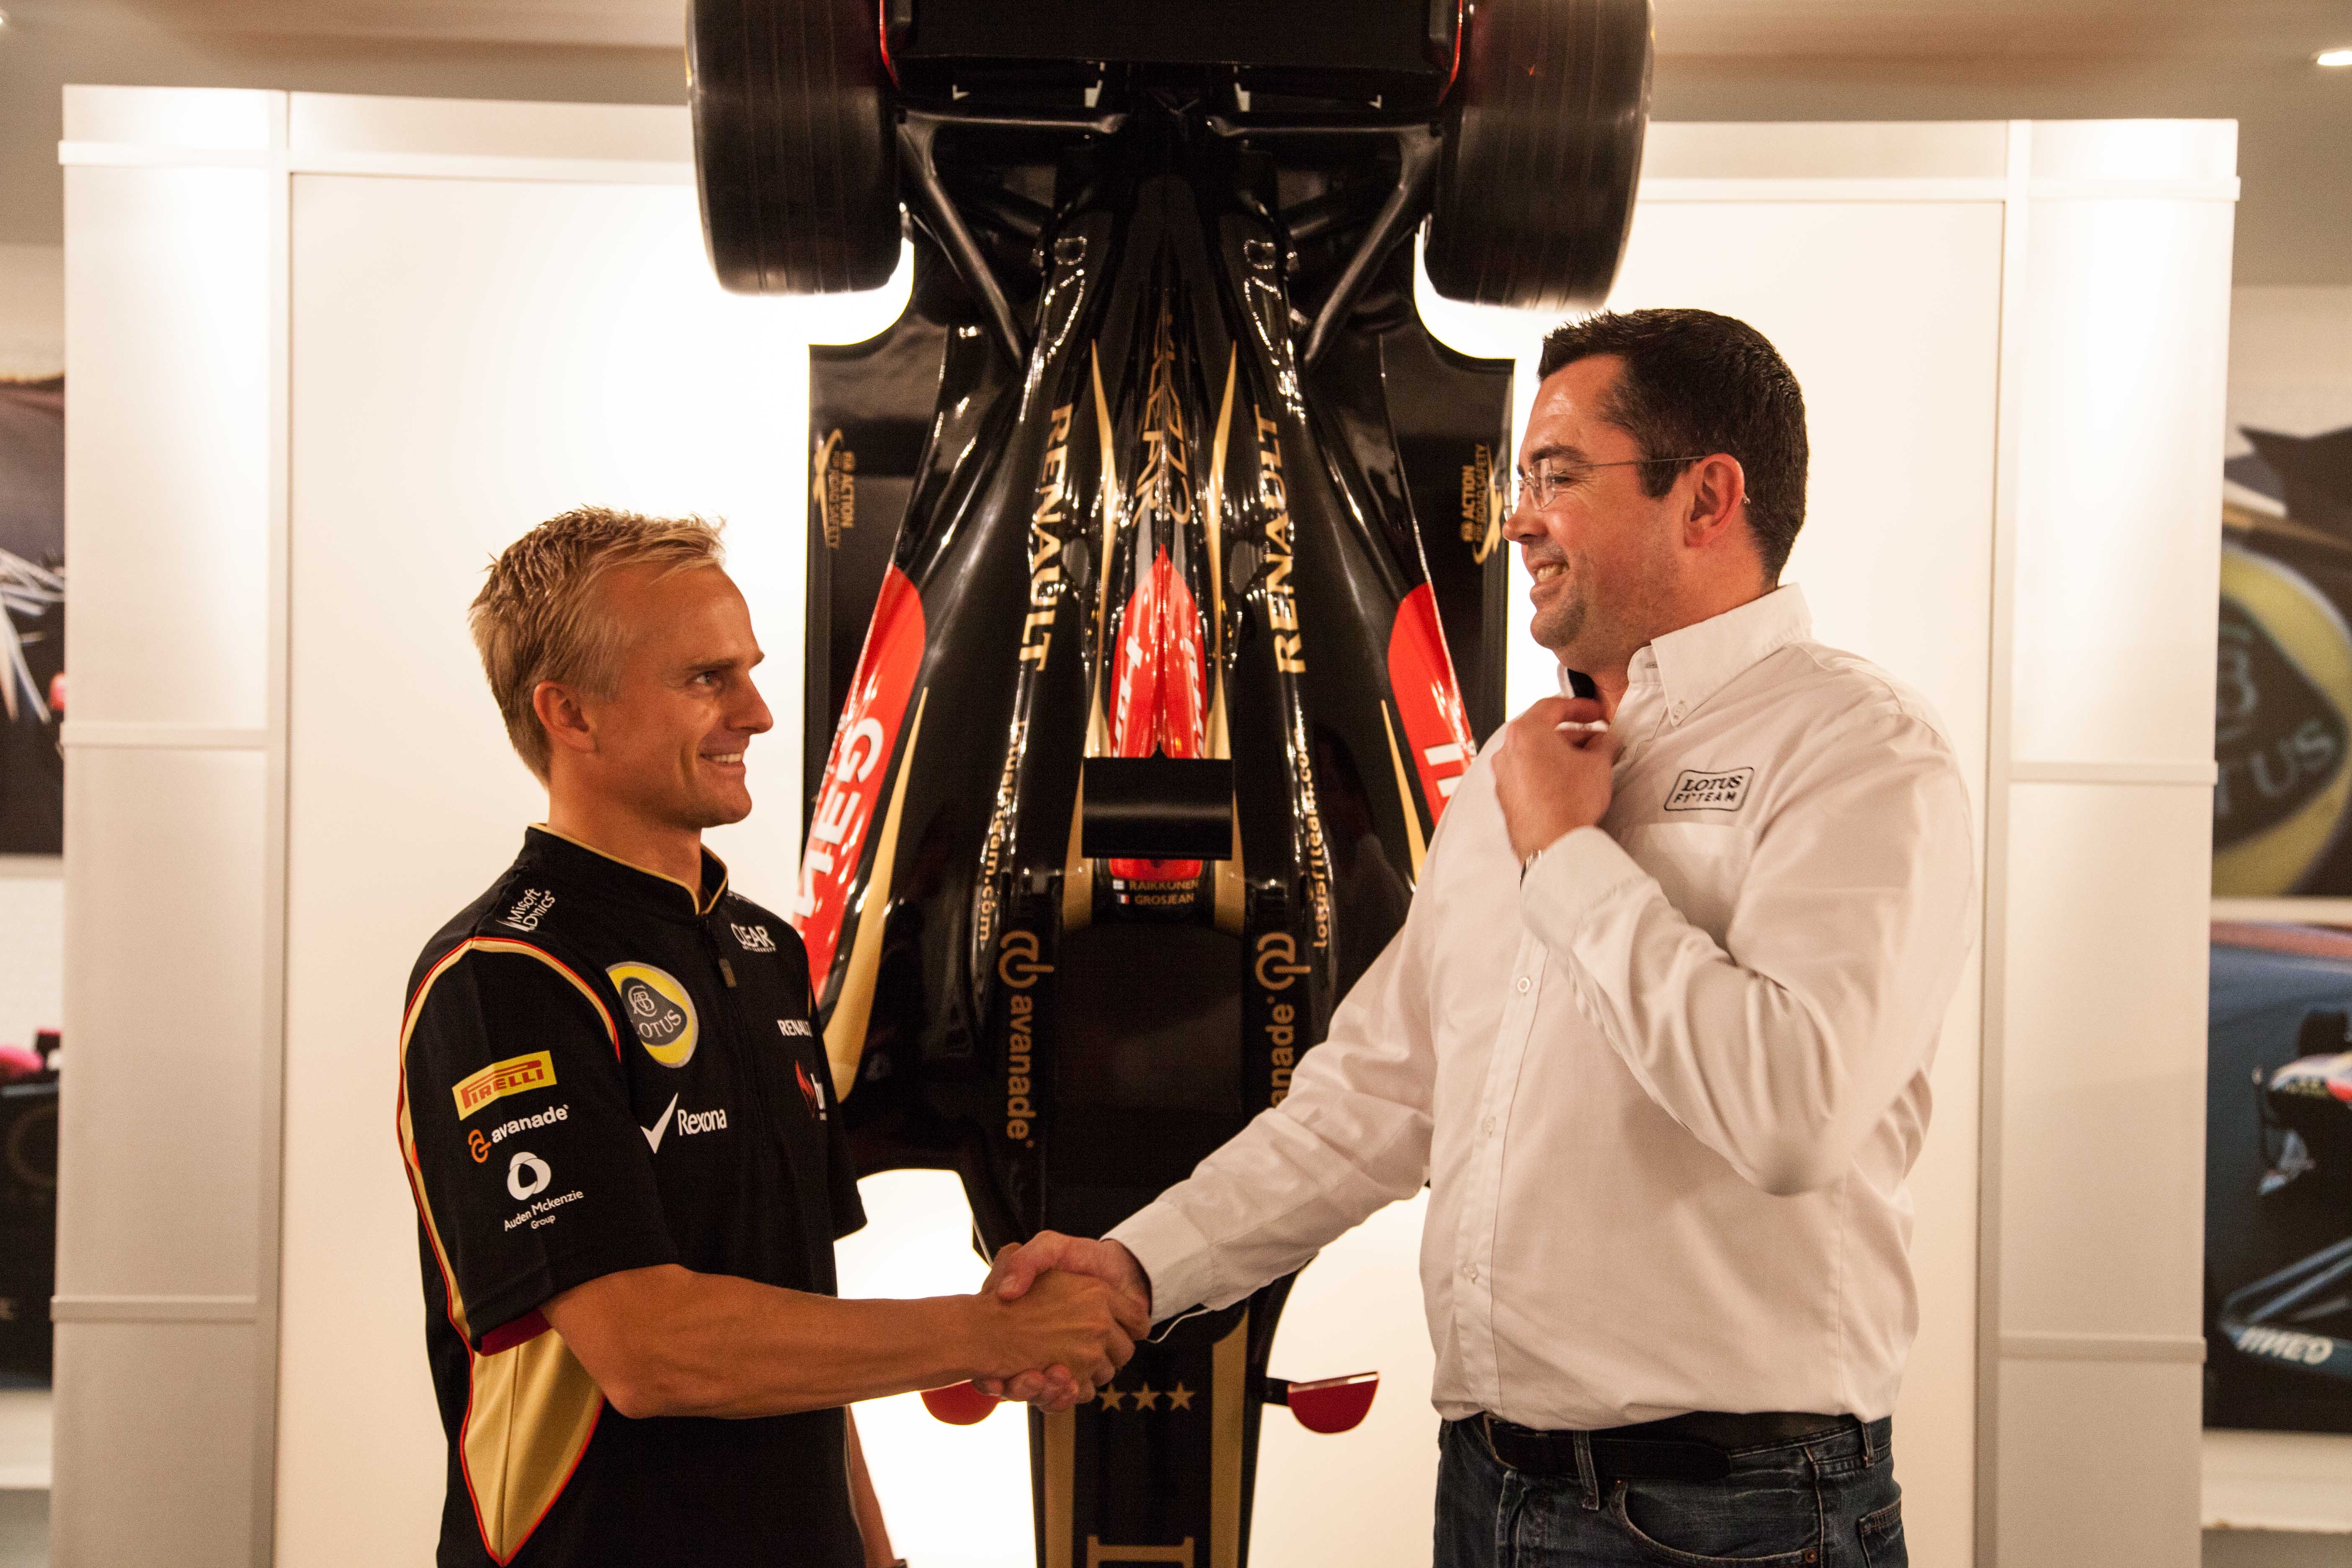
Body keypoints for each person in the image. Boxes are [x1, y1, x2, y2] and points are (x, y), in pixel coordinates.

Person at [983, 310, 1975, 1567]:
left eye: (1558, 475)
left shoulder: (1858, 751)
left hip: (1739, 1517)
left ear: (1707, 498)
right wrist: (1140, 1267)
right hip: (1489, 1489)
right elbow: (1374, 1100)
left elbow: (1792, 1112)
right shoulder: (1517, 769)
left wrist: (1566, 856)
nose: (1517, 520)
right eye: (1522, 480)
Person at [397, 508, 1145, 1568]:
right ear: (570, 713)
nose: (755, 712)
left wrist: (875, 1555)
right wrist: (988, 1331)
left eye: (748, 672)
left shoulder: (763, 950)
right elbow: (650, 1349)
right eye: (707, 679)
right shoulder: (503, 975)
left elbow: (798, 1314)